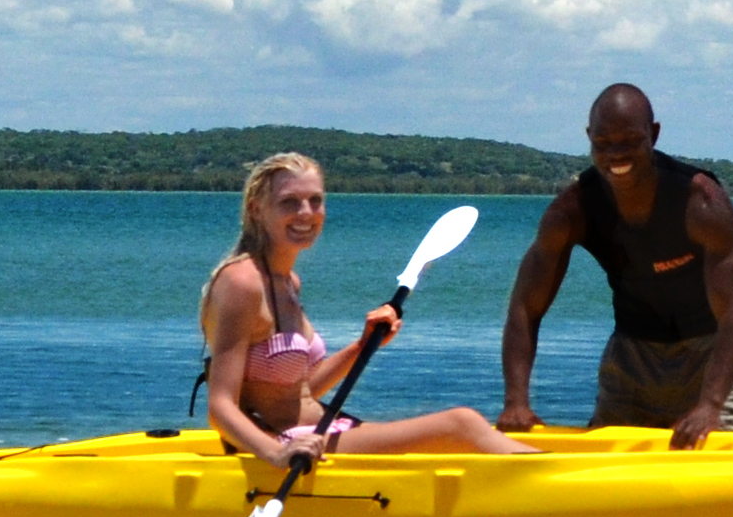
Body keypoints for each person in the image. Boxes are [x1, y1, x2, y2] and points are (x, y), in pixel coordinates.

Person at [199, 153, 532, 464]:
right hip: (287, 444)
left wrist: (362, 345)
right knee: (461, 423)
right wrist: (277, 454)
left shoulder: (288, 282)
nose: (306, 212)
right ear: (257, 210)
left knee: (463, 428)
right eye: (290, 202)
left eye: (315, 200)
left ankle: (541, 467)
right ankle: (547, 479)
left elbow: (301, 391)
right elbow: (220, 407)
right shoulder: (241, 282)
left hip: (320, 430)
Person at [499, 83, 733, 448]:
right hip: (630, 364)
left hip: (708, 359)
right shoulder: (572, 210)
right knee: (605, 474)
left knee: (716, 468)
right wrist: (516, 403)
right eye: (603, 143)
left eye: (630, 141)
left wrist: (710, 405)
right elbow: (525, 307)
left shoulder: (700, 202)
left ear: (654, 134)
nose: (616, 155)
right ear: (589, 137)